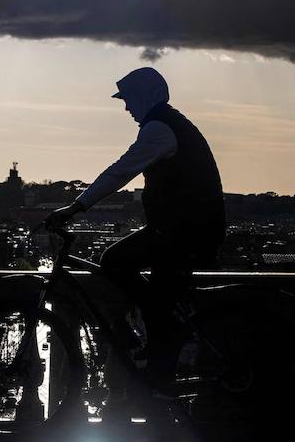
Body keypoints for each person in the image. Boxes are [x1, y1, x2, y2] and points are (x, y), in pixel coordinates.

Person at [45, 66, 226, 392]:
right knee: (157, 301)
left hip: (181, 232)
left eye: (129, 99)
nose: (127, 107)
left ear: (145, 97)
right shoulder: (174, 124)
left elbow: (121, 171)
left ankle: (160, 326)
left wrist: (76, 207)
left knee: (114, 261)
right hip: (187, 230)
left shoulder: (158, 130)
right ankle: (161, 348)